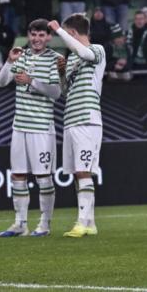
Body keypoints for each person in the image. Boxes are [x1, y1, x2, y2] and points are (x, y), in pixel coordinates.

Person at [0, 20, 63, 237]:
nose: (36, 39)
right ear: (28, 35)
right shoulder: (21, 55)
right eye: (33, 35)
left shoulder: (55, 59)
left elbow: (56, 92)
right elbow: (2, 82)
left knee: (43, 177)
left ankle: (44, 225)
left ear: (49, 37)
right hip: (19, 127)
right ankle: (20, 224)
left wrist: (31, 81)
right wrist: (9, 61)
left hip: (42, 128)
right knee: (18, 175)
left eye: (41, 35)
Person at [48, 13, 106, 238]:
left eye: (66, 34)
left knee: (83, 171)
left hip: (87, 119)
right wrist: (62, 73)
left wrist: (58, 30)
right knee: (76, 172)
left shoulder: (97, 50)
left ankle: (81, 222)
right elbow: (65, 91)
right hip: (70, 119)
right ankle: (90, 223)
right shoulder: (71, 58)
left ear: (71, 32)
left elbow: (84, 53)